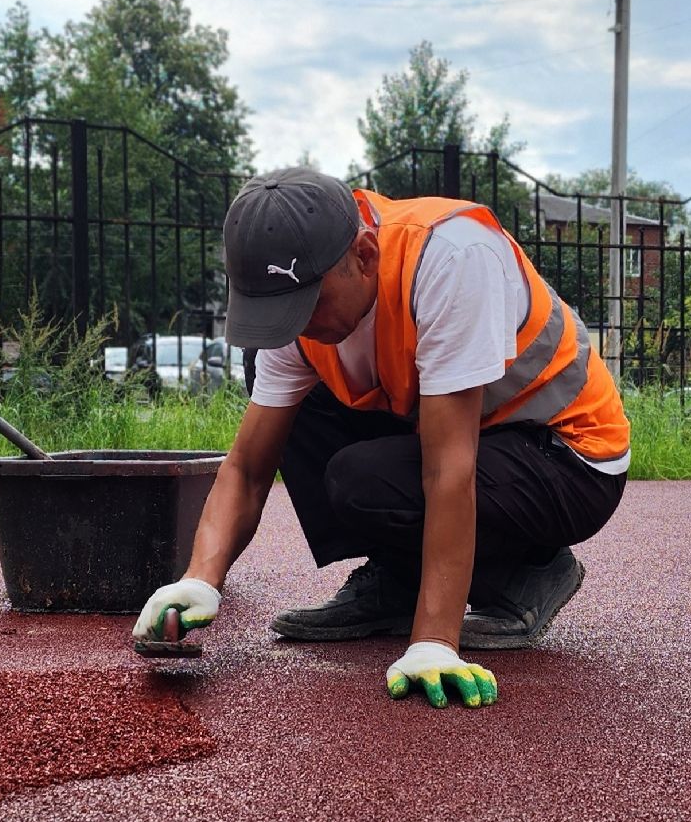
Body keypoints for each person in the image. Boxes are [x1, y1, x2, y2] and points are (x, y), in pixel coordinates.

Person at [131, 168, 629, 709]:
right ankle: (399, 580)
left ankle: (528, 571)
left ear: (365, 256)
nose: (296, 327)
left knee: (363, 481)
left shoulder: (451, 259)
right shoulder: (299, 305)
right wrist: (199, 579)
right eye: (280, 312)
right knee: (294, 404)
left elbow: (448, 470)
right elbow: (249, 468)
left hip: (567, 459)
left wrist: (435, 642)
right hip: (467, 443)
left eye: (307, 307)